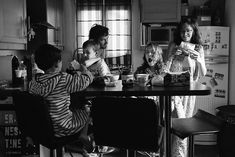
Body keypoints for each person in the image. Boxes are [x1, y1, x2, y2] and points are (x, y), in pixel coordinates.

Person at [28, 44, 94, 153]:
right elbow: (83, 82)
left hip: (43, 128)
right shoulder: (63, 78)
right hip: (63, 126)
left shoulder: (34, 82)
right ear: (56, 64)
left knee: (75, 110)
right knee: (87, 112)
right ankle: (83, 135)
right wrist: (85, 72)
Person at [166, 18, 207, 157]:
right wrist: (173, 56)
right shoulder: (174, 45)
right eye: (182, 31)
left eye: (188, 30)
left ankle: (180, 155)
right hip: (173, 91)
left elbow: (203, 73)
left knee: (184, 127)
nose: (185, 34)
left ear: (194, 31)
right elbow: (165, 69)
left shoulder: (198, 48)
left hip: (189, 93)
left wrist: (199, 60)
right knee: (174, 124)